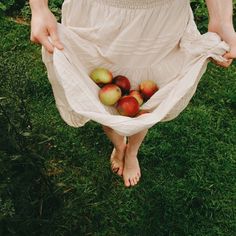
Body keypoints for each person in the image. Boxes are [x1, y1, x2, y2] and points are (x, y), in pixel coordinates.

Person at [29, 0, 236, 187]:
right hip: (97, 16)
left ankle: (132, 152)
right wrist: (38, 8)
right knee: (104, 102)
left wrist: (222, 19)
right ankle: (119, 146)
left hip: (159, 22)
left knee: (146, 103)